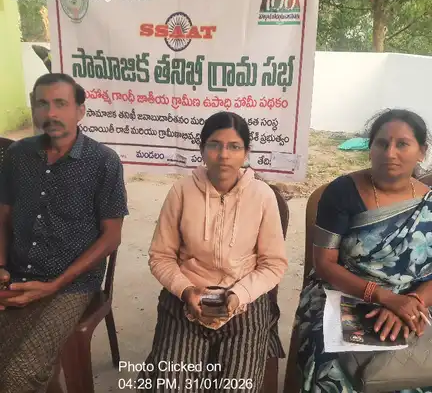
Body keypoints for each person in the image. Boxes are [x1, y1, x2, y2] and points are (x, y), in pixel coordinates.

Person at [138, 111, 288, 392]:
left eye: (234, 147)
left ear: (246, 153)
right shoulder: (181, 191)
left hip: (244, 301)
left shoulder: (262, 196)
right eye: (215, 145)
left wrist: (239, 294)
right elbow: (161, 256)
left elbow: (273, 264)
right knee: (170, 385)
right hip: (187, 297)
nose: (224, 155)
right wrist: (186, 291)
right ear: (202, 149)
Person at [0, 73, 128, 393]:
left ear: (80, 110)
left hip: (71, 285)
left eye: (61, 103)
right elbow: (3, 217)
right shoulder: (17, 155)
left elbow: (111, 237)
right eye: (42, 104)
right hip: (15, 272)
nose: (51, 113)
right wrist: (0, 266)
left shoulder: (103, 162)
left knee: (18, 377)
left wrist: (53, 285)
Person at [294, 109, 432, 392]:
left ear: (422, 152)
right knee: (332, 367)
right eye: (382, 143)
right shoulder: (342, 193)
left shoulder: (428, 203)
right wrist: (385, 298)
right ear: (370, 149)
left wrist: (411, 302)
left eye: (402, 144)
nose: (390, 153)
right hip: (344, 293)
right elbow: (325, 264)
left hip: (415, 300)